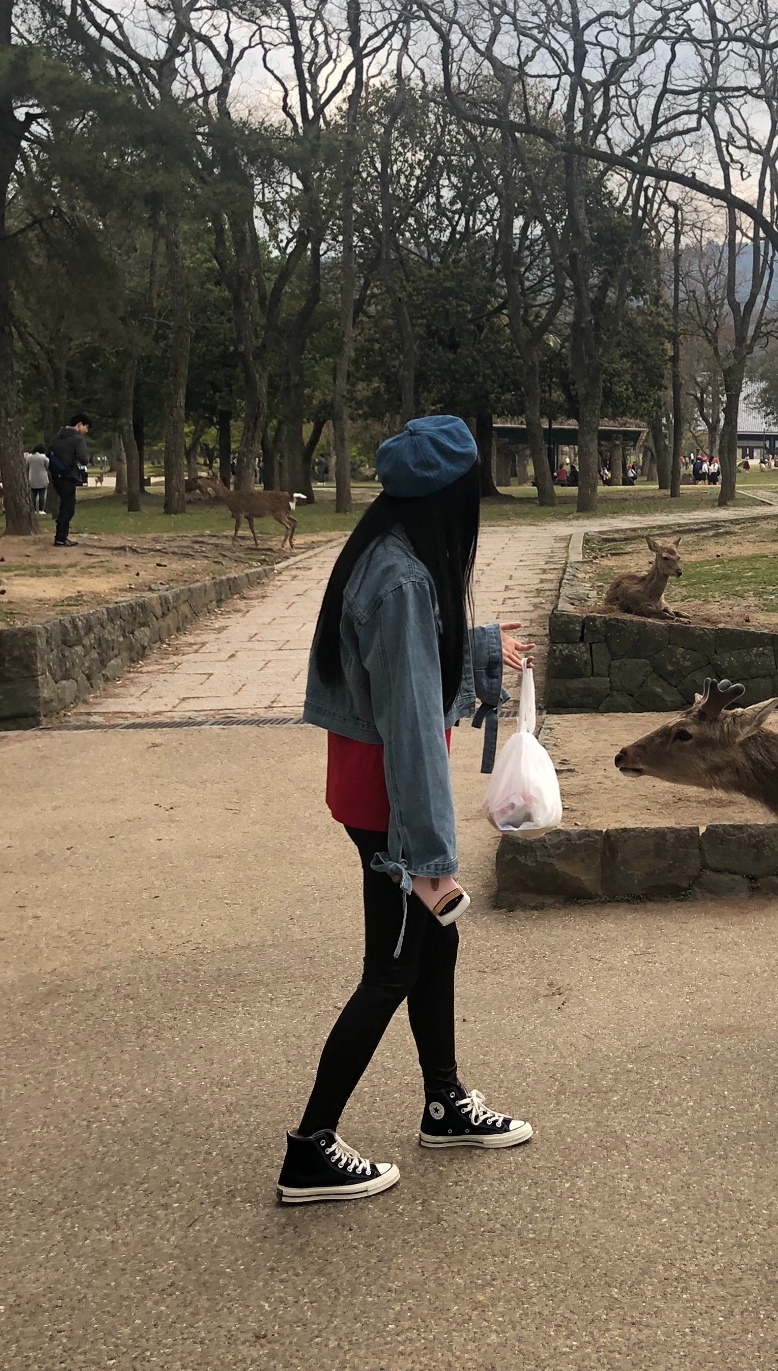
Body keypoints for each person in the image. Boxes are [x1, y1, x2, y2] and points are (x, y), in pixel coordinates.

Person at [282, 414, 533, 1206]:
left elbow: (410, 669)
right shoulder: (402, 581)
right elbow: (414, 731)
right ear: (450, 497)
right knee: (391, 967)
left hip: (376, 786)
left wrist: (484, 646)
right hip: (391, 802)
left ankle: (445, 1102)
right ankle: (310, 1148)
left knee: (434, 948)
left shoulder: (390, 555)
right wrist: (429, 857)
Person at [46, 413, 92, 546]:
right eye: (86, 427)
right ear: (79, 425)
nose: (86, 431)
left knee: (64, 505)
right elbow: (84, 459)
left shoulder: (57, 436)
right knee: (68, 508)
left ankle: (60, 534)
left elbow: (48, 452)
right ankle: (61, 537)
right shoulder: (78, 439)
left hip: (56, 475)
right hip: (68, 476)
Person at [26, 446, 50, 516]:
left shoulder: (29, 457)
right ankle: (41, 509)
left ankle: (33, 510)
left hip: (32, 477)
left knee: (33, 495)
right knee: (42, 494)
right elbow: (47, 466)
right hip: (42, 477)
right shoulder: (44, 457)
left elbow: (27, 466)